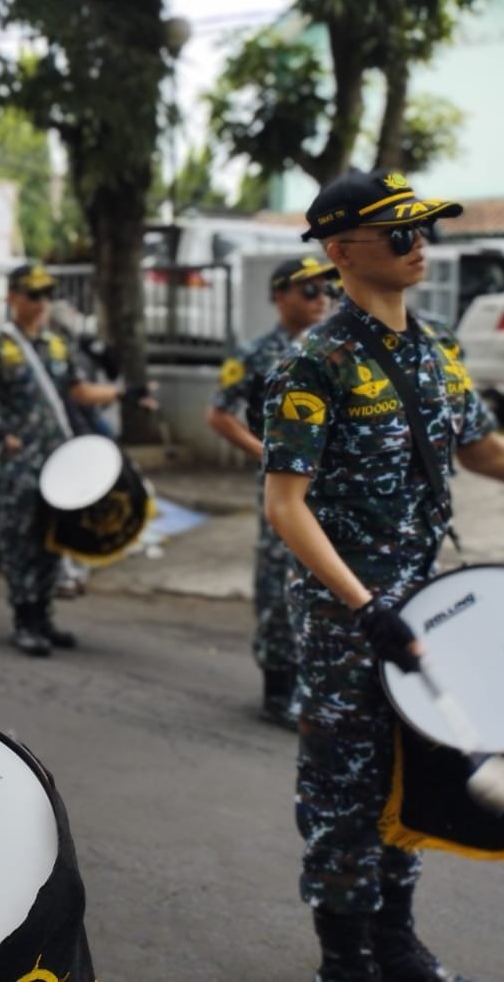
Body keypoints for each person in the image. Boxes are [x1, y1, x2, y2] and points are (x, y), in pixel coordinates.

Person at [263, 170, 504, 982]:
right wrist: (362, 601)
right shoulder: (315, 363)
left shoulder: (438, 344)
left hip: (423, 603)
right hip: (348, 617)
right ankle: (344, 955)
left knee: (412, 774)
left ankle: (396, 940)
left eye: (425, 231)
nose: (422, 247)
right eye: (403, 234)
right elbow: (286, 506)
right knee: (345, 786)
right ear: (341, 251)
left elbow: (482, 449)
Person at [207, 255, 339, 727]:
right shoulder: (256, 353)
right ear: (279, 296)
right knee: (279, 582)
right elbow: (219, 414)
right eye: (309, 290)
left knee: (325, 582)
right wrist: (267, 453)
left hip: (333, 493)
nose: (321, 298)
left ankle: (313, 683)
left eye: (327, 289)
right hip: (285, 493)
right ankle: (278, 688)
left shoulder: (335, 349)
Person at [0, 263, 134, 657]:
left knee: (52, 539)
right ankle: (24, 619)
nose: (41, 303)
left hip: (57, 463)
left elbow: (78, 391)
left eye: (46, 295)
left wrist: (121, 393)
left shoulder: (57, 345)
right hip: (17, 462)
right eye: (33, 295)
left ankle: (44, 616)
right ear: (12, 297)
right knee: (20, 542)